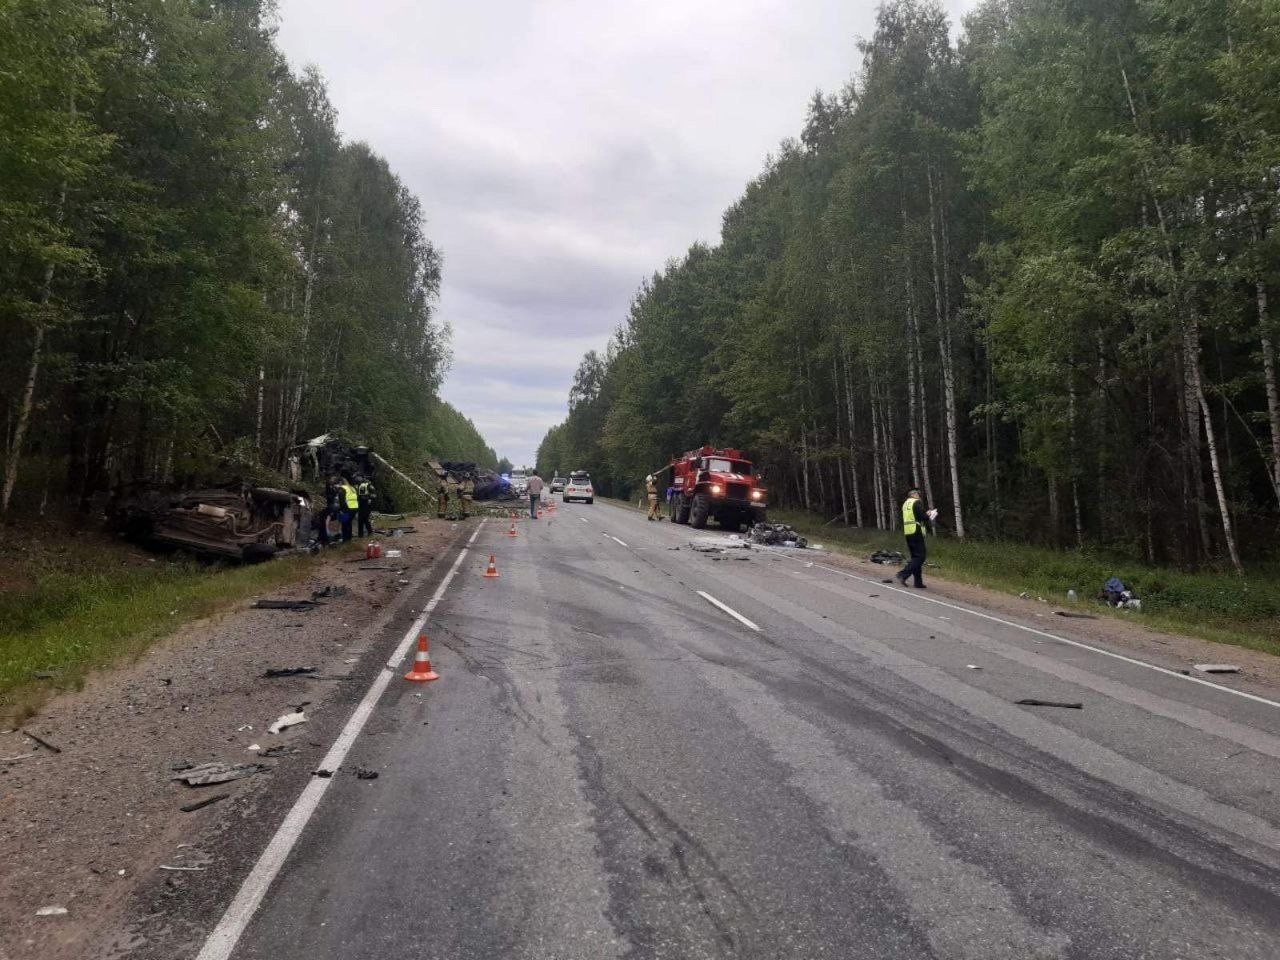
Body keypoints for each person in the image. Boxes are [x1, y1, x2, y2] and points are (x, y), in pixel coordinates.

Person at [891, 485, 935, 588]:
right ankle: (903, 574)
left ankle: (918, 582)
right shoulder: (916, 503)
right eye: (918, 494)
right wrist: (929, 514)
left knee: (915, 557)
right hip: (916, 531)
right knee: (920, 557)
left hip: (908, 532)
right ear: (914, 494)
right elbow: (922, 517)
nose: (919, 496)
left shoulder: (906, 504)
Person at [316, 475, 342, 546]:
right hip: (329, 506)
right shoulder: (330, 488)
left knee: (326, 521)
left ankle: (325, 537)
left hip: (331, 506)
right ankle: (324, 537)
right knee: (324, 521)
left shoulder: (334, 489)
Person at [338, 476, 359, 542]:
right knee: (349, 523)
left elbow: (341, 500)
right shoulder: (352, 488)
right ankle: (349, 538)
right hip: (355, 507)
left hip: (347, 508)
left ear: (340, 482)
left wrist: (342, 510)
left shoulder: (342, 488)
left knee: (344, 524)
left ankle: (345, 540)